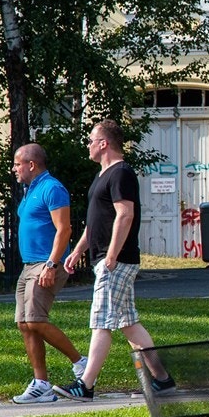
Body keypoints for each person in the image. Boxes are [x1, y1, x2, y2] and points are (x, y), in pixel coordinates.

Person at [59, 120, 170, 399]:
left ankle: (86, 384)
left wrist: (111, 256)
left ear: (104, 143)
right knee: (127, 322)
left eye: (90, 140)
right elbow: (97, 222)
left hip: (116, 262)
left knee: (101, 321)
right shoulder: (103, 175)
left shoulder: (121, 173)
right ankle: (163, 379)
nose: (88, 145)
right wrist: (77, 251)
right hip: (107, 260)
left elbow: (125, 214)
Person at [9, 143, 87, 404]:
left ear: (32, 164)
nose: (15, 168)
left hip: (45, 264)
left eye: (18, 164)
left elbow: (64, 230)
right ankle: (41, 384)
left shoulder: (52, 188)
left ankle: (81, 363)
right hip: (28, 264)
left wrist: (52, 265)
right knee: (24, 324)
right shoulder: (32, 189)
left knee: (35, 320)